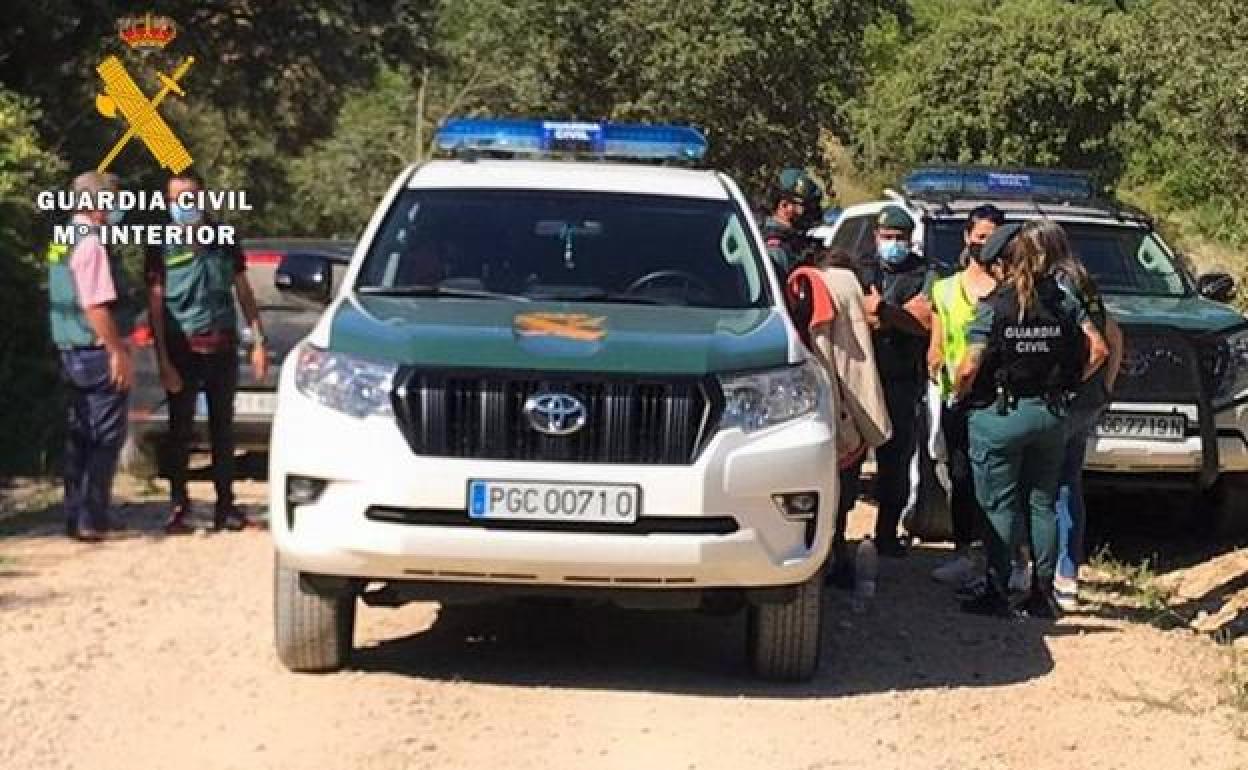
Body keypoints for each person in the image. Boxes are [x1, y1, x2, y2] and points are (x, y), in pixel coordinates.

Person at [954, 221, 1108, 618]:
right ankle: (1043, 593)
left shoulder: (994, 307)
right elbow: (1099, 349)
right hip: (1050, 413)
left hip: (1000, 416)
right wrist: (1070, 384)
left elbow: (970, 365)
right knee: (1043, 503)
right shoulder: (1063, 300)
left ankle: (999, 587)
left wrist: (960, 393)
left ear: (1002, 265)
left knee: (999, 505)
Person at [145, 172, 268, 534]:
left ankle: (225, 506)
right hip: (182, 349)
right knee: (180, 431)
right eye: (177, 198)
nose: (186, 205)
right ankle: (179, 505)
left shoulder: (224, 240)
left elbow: (243, 292)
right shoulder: (160, 244)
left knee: (223, 431)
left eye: (192, 196)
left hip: (222, 347)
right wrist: (163, 359)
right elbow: (155, 304)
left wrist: (258, 341)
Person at [786, 248, 892, 587]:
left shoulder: (804, 294)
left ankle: (830, 554)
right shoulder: (817, 300)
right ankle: (834, 554)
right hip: (839, 415)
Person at [46, 171, 136, 541]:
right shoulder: (92, 244)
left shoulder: (62, 237)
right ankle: (92, 516)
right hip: (94, 349)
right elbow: (95, 304)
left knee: (79, 433)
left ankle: (75, 513)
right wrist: (117, 350)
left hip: (68, 348)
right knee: (104, 435)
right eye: (113, 201)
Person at [926, 204, 1005, 585]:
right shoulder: (943, 289)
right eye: (980, 238)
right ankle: (963, 552)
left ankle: (1000, 557)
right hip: (956, 397)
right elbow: (937, 345)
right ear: (967, 238)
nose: (985, 247)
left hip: (998, 397)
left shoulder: (1010, 292)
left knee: (997, 481)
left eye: (993, 240)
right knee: (961, 476)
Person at [1051, 241, 1125, 611]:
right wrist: (1106, 386)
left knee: (1043, 486)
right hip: (1089, 402)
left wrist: (1072, 381)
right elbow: (1115, 338)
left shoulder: (1060, 286)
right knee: (1069, 485)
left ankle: (1039, 571)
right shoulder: (1087, 285)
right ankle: (1067, 574)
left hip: (1066, 401)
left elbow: (1099, 347)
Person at [861, 206, 934, 557]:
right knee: (848, 461)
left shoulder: (923, 274)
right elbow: (853, 315)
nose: (892, 244)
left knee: (896, 461)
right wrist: (899, 315)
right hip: (859, 380)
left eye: (899, 238)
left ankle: (886, 534)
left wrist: (883, 313)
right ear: (876, 236)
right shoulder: (861, 270)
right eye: (887, 237)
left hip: (901, 380)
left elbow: (927, 323)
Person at [761, 168, 822, 277]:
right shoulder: (775, 251)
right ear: (784, 205)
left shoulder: (793, 242)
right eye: (804, 206)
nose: (807, 212)